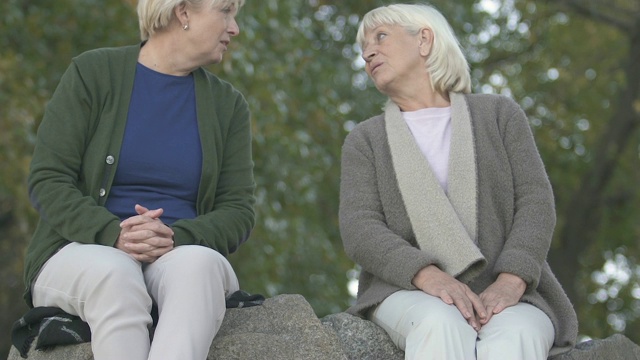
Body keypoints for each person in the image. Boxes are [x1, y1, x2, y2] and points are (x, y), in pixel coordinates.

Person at [339, 3, 578, 359]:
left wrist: (511, 281)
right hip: (407, 291)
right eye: (364, 47)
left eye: (381, 37)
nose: (368, 51)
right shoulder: (365, 140)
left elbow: (535, 202)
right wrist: (427, 276)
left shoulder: (500, 115)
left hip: (511, 292)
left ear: (424, 40)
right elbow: (360, 228)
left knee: (518, 333)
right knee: (440, 321)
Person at [21, 0, 255, 359]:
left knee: (201, 267)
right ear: (183, 12)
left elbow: (238, 211)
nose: (234, 28)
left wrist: (177, 237)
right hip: (80, 251)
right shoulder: (93, 73)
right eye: (225, 11)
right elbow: (48, 179)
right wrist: (113, 233)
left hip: (176, 254)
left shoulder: (229, 106)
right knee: (117, 276)